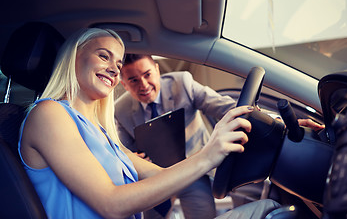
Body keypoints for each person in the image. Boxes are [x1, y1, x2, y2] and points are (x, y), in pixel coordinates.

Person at [18, 27, 281, 219]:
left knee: (268, 208)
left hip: (191, 179)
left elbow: (160, 175)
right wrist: (208, 155)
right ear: (74, 57)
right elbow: (111, 204)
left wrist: (270, 123)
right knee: (271, 214)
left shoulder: (100, 131)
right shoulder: (49, 114)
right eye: (103, 56)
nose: (113, 68)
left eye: (117, 62)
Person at [114, 54, 237, 218]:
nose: (143, 85)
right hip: (155, 178)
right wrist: (135, 160)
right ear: (124, 84)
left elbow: (225, 107)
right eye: (133, 80)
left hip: (193, 169)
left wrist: (260, 116)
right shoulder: (120, 110)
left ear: (157, 70)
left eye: (147, 74)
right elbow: (123, 153)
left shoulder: (182, 83)